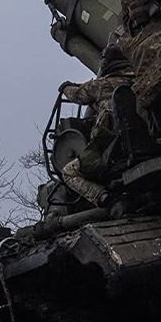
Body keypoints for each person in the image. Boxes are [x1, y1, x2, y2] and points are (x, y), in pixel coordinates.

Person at [58, 41, 134, 206]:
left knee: (69, 172)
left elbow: (77, 95)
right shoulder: (139, 80)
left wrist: (65, 87)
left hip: (110, 147)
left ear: (106, 64)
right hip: (141, 141)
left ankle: (106, 199)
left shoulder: (101, 85)